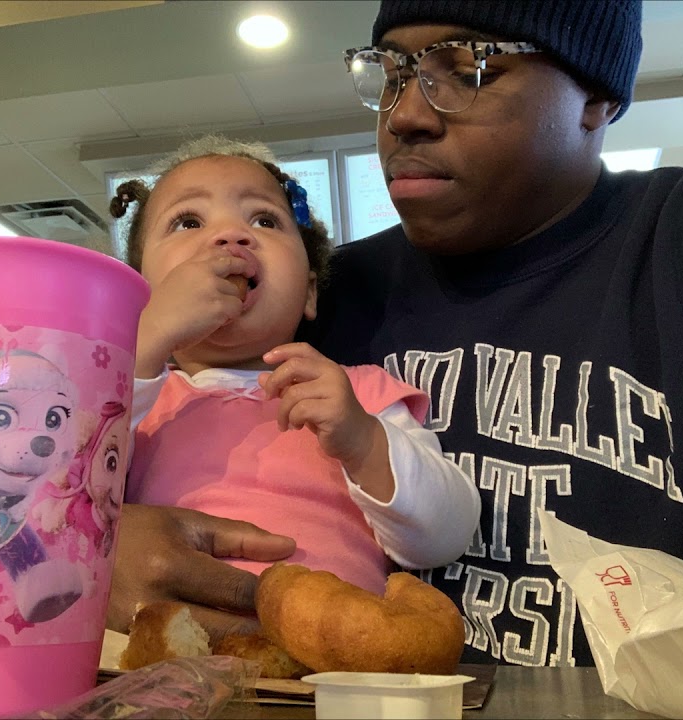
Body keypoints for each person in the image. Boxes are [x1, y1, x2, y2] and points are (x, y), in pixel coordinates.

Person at [108, 0, 683, 669]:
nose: (405, 117)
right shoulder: (310, 296)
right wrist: (96, 541)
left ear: (597, 94)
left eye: (468, 67)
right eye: (392, 73)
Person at [105, 135, 481, 634]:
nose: (229, 236)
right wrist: (145, 341)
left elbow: (445, 535)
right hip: (162, 661)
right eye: (188, 222)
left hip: (331, 661)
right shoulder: (131, 398)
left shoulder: (359, 394)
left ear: (308, 293)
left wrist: (362, 440)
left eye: (264, 220)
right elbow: (58, 489)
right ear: (141, 295)